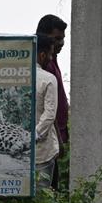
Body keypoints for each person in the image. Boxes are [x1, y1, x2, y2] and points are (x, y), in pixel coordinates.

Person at [36, 14, 69, 189]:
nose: (61, 43)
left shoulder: (51, 61)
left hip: (52, 138)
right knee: (46, 191)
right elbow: (49, 111)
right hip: (46, 141)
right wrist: (59, 141)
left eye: (63, 39)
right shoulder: (44, 65)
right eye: (57, 39)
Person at [33, 35, 60, 191]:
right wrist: (33, 137)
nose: (51, 58)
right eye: (50, 54)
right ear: (42, 55)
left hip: (17, 151)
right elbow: (50, 114)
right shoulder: (49, 79)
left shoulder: (17, 76)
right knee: (42, 200)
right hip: (43, 151)